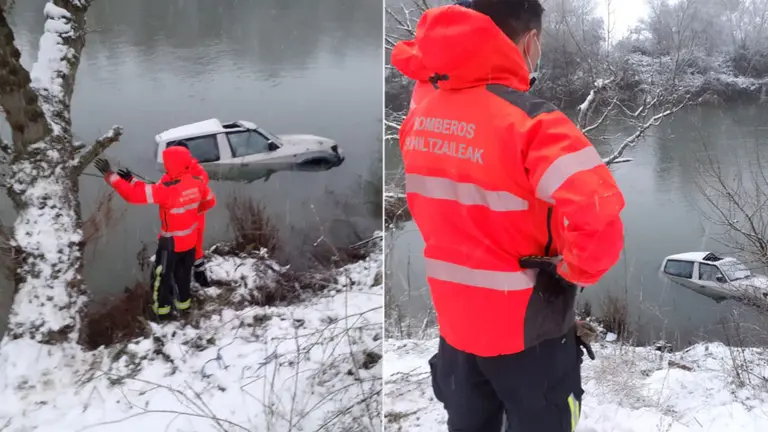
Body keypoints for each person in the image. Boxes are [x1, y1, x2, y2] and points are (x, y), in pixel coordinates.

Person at [391, 1, 625, 431]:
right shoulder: (533, 122)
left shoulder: (421, 112)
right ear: (530, 41)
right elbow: (600, 218)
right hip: (529, 334)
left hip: (455, 325)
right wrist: (574, 268)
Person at [94, 146, 216, 319]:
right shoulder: (197, 182)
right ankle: (185, 308)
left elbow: (133, 195)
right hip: (190, 242)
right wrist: (132, 180)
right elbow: (210, 201)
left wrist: (111, 176)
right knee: (183, 276)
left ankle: (162, 313)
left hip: (170, 244)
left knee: (161, 279)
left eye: (166, 164)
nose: (165, 167)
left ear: (172, 165)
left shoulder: (167, 190)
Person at [117, 140, 213, 288]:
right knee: (188, 254)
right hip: (183, 223)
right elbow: (157, 190)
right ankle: (186, 286)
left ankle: (195, 278)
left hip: (191, 221)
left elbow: (165, 191)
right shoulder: (173, 174)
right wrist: (132, 181)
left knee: (193, 250)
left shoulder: (198, 172)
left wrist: (188, 206)